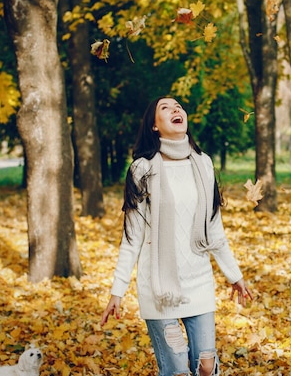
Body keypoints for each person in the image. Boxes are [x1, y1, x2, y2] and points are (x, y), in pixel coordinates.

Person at [101, 96, 253, 376]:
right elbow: (132, 237)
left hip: (198, 281)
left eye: (179, 106)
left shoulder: (203, 163)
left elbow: (214, 227)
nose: (176, 109)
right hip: (160, 287)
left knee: (207, 366)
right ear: (154, 126)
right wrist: (117, 290)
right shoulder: (142, 169)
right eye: (165, 108)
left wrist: (234, 275)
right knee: (178, 370)